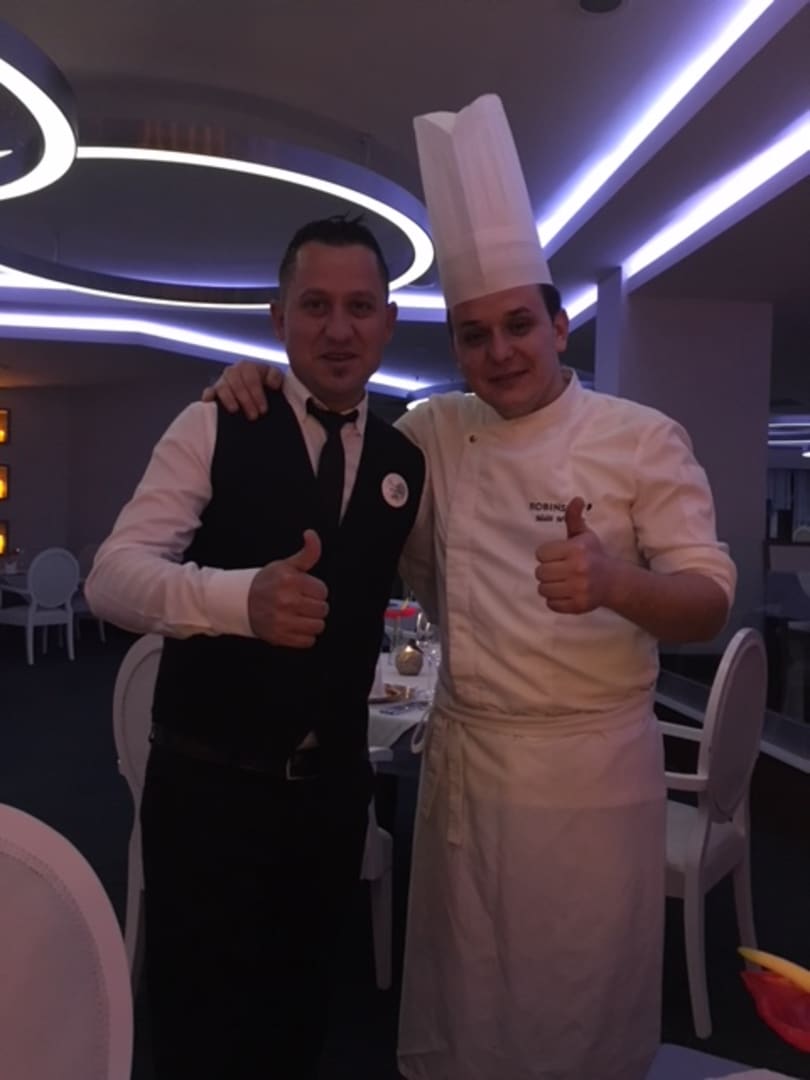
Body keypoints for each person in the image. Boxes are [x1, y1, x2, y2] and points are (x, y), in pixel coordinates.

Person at [203, 97, 736, 1080]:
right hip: (466, 765)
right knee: (465, 1013)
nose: (499, 352)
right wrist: (255, 387)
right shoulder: (435, 434)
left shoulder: (641, 438)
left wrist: (616, 581)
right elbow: (335, 439)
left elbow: (709, 599)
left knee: (575, 1015)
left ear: (560, 323)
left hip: (589, 777)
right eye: (473, 333)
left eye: (518, 325)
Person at [85, 216, 427, 1080]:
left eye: (360, 307)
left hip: (331, 799)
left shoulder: (405, 460)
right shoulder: (216, 422)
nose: (339, 329)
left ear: (389, 323)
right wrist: (239, 600)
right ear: (279, 318)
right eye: (315, 305)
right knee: (198, 1038)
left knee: (299, 1027)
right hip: (208, 795)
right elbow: (111, 579)